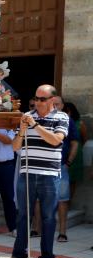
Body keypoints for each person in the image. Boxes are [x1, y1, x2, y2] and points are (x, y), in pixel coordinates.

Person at [4, 85, 68, 258]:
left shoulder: (61, 117)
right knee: (23, 216)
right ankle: (18, 255)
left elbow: (56, 140)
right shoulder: (27, 116)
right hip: (27, 174)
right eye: (36, 98)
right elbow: (15, 146)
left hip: (49, 175)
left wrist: (34, 125)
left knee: (48, 218)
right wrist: (23, 129)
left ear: (52, 100)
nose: (37, 102)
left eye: (42, 99)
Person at [54, 95, 79, 243]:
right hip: (45, 166)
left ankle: (62, 232)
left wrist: (68, 162)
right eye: (53, 103)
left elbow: (75, 142)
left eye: (58, 104)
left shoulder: (68, 121)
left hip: (61, 165)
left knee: (62, 200)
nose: (55, 106)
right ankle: (36, 229)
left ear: (63, 106)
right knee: (38, 199)